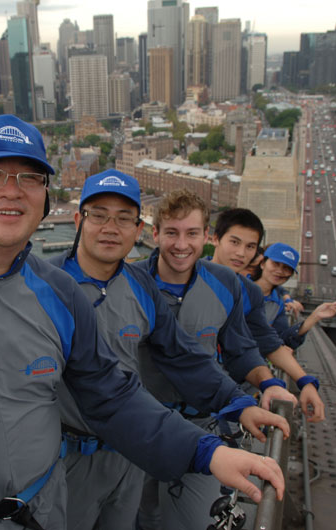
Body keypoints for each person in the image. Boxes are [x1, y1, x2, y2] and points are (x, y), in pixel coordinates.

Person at [0, 116, 284, 530]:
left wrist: (208, 451)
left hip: (44, 513)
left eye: (30, 177)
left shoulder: (58, 293)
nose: (11, 189)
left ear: (44, 199)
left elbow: (112, 395)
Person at [47, 172, 289, 530]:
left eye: (124, 218)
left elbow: (181, 354)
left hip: (130, 452)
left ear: (138, 228)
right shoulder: (44, 284)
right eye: (99, 214)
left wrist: (238, 404)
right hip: (68, 457)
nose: (111, 228)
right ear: (78, 219)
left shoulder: (139, 285)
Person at [132, 189, 297, 530]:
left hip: (201, 425)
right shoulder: (129, 283)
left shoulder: (226, 284)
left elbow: (239, 349)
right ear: (155, 234)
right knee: (143, 515)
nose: (181, 244)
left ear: (206, 237)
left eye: (192, 233)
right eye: (172, 233)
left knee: (193, 520)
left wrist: (269, 383)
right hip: (141, 425)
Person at [211, 208, 326, 423]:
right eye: (234, 242)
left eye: (250, 247)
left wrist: (305, 381)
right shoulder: (187, 279)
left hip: (220, 392)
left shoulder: (249, 292)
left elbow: (268, 342)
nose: (241, 253)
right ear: (215, 238)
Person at [252, 243, 336, 347]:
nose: (280, 271)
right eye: (275, 264)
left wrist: (314, 317)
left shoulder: (278, 304)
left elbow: (281, 339)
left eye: (286, 268)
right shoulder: (239, 286)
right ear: (262, 264)